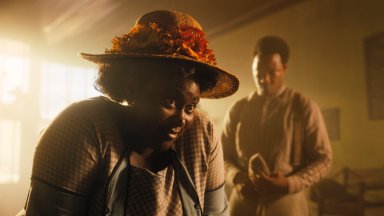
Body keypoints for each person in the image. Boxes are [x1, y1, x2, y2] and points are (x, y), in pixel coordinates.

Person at [20, 10, 239, 216]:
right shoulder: (83, 127)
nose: (181, 119)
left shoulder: (202, 133)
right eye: (169, 100)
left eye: (190, 106)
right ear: (132, 87)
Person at [221, 36, 332, 215]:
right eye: (258, 72)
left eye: (272, 72)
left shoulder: (302, 106)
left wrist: (290, 183)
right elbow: (221, 157)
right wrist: (237, 177)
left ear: (284, 68)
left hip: (287, 206)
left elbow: (324, 159)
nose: (264, 79)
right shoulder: (238, 109)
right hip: (243, 206)